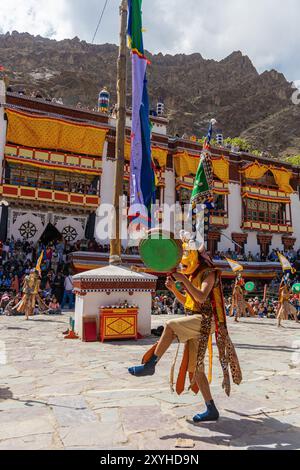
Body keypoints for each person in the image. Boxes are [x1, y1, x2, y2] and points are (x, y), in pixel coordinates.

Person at [128, 234, 242, 423]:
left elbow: (202, 297)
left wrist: (183, 280)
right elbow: (189, 303)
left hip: (208, 321)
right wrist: (174, 288)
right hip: (196, 319)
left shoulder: (209, 273)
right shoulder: (192, 275)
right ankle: (211, 408)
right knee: (195, 369)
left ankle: (150, 365)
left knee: (171, 325)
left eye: (187, 255)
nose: (183, 261)